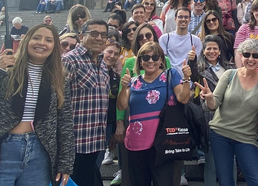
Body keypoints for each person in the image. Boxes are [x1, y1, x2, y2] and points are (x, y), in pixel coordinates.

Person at [0, 24, 74, 186]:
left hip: (39, 151)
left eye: (48, 40)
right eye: (36, 37)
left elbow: (64, 122)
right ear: (26, 40)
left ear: (54, 47)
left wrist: (66, 161)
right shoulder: (6, 70)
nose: (42, 43)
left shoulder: (58, 78)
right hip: (2, 148)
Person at [199, 39, 258, 186]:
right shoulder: (229, 75)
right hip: (221, 134)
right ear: (241, 56)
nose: (251, 59)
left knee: (257, 181)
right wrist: (209, 97)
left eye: (255, 55)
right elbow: (214, 104)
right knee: (226, 181)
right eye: (247, 54)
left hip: (246, 138)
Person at [117, 42, 192, 186]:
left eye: (155, 57)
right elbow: (122, 106)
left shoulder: (171, 75)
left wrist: (187, 78)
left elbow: (183, 98)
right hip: (136, 143)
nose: (150, 61)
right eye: (146, 57)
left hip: (162, 143)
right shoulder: (133, 82)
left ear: (161, 60)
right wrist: (124, 87)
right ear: (140, 61)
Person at [62, 19, 111, 186]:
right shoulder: (70, 60)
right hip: (74, 144)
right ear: (82, 36)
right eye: (94, 33)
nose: (99, 38)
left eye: (103, 35)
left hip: (96, 142)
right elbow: (57, 101)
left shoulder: (103, 65)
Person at [194, 35, 236, 186]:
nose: (212, 51)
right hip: (210, 120)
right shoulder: (198, 70)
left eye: (215, 48)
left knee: (231, 162)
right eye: (208, 48)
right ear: (203, 51)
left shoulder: (231, 68)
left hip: (232, 119)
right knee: (211, 163)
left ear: (219, 51)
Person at [159, 6, 203, 76]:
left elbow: (198, 63)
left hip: (188, 79)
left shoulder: (196, 41)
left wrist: (194, 58)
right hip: (169, 78)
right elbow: (162, 61)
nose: (183, 19)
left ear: (190, 19)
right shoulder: (164, 38)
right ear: (175, 19)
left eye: (186, 17)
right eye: (180, 17)